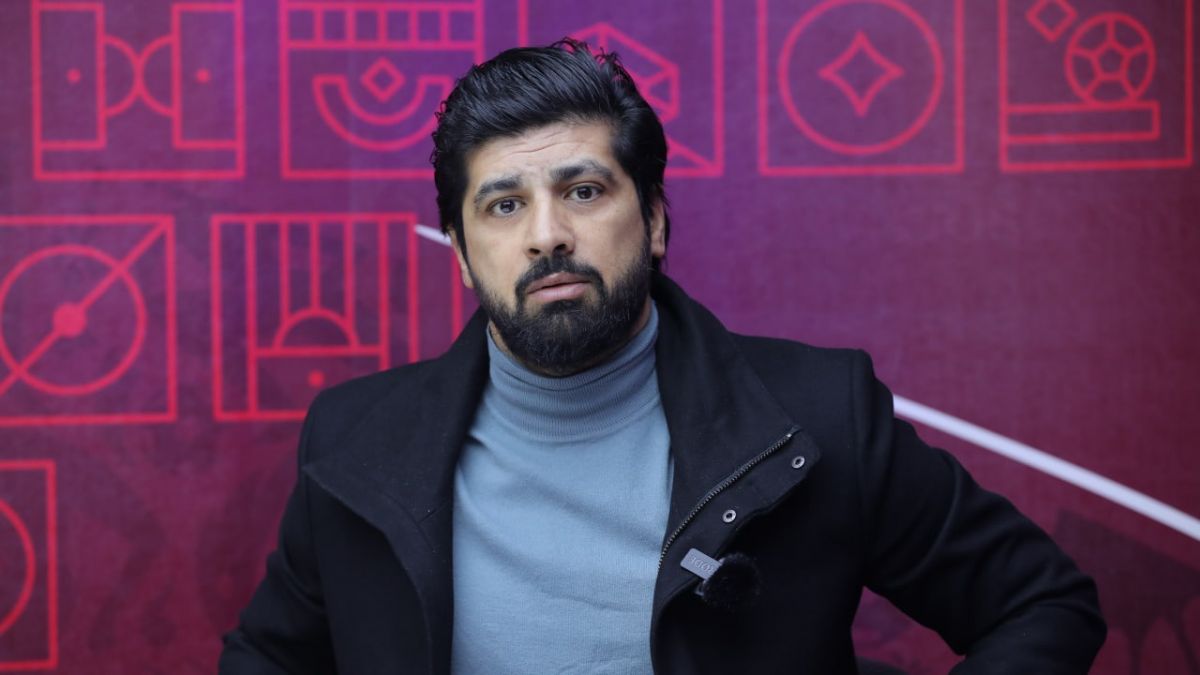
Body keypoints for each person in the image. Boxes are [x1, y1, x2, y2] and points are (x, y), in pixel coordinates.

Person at [220, 40, 1105, 674]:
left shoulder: (818, 414)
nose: (547, 235)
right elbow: (266, 656)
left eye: (583, 190)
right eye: (503, 205)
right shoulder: (355, 441)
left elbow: (1043, 604)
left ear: (653, 220)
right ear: (460, 252)